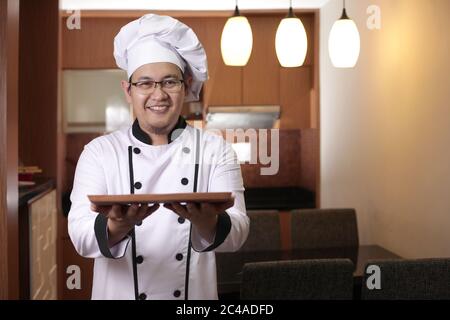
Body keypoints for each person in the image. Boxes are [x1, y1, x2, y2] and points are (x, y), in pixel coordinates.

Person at [68, 14, 249, 300]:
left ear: (186, 85)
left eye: (169, 82)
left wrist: (207, 222)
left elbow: (238, 231)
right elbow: (79, 235)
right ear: (128, 91)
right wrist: (118, 226)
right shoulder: (99, 152)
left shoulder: (217, 150)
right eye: (145, 83)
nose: (158, 94)